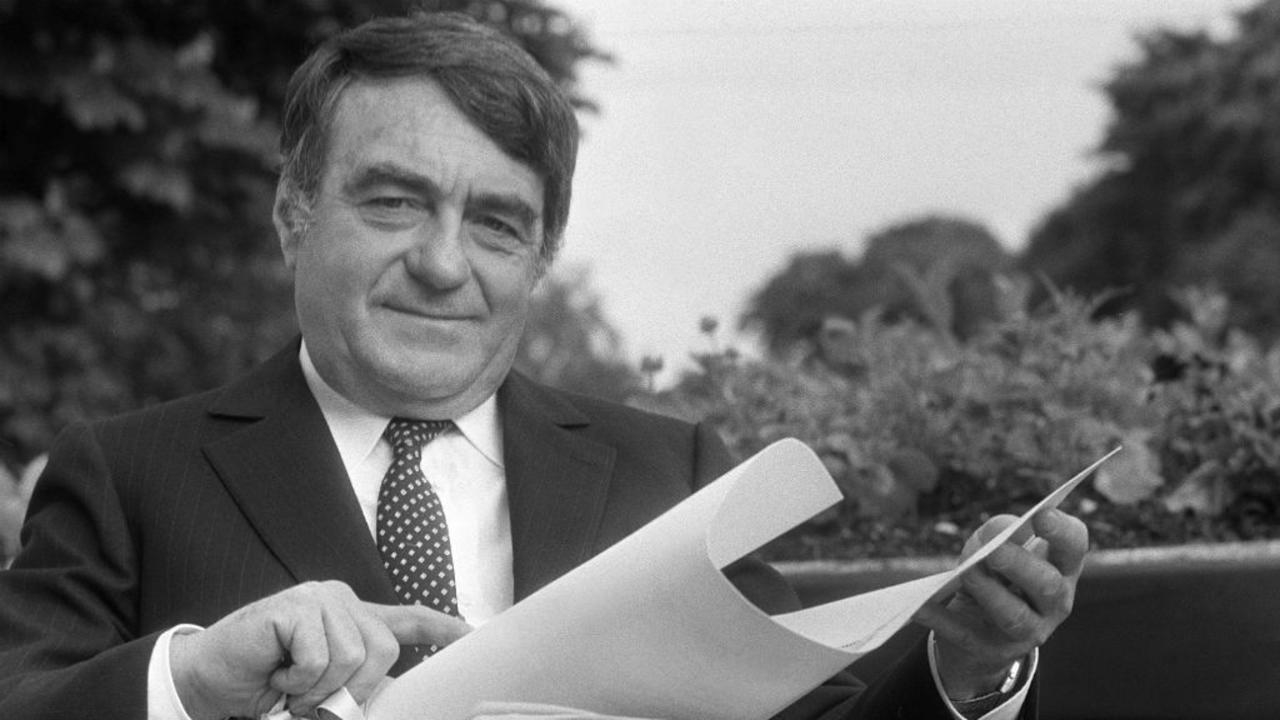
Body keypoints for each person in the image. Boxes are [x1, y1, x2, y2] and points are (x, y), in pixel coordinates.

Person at [0, 11, 1087, 720]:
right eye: (395, 201)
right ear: (295, 212)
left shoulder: (671, 475)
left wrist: (967, 669)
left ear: (542, 256)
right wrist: (191, 680)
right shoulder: (131, 477)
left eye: (496, 223)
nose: (442, 264)